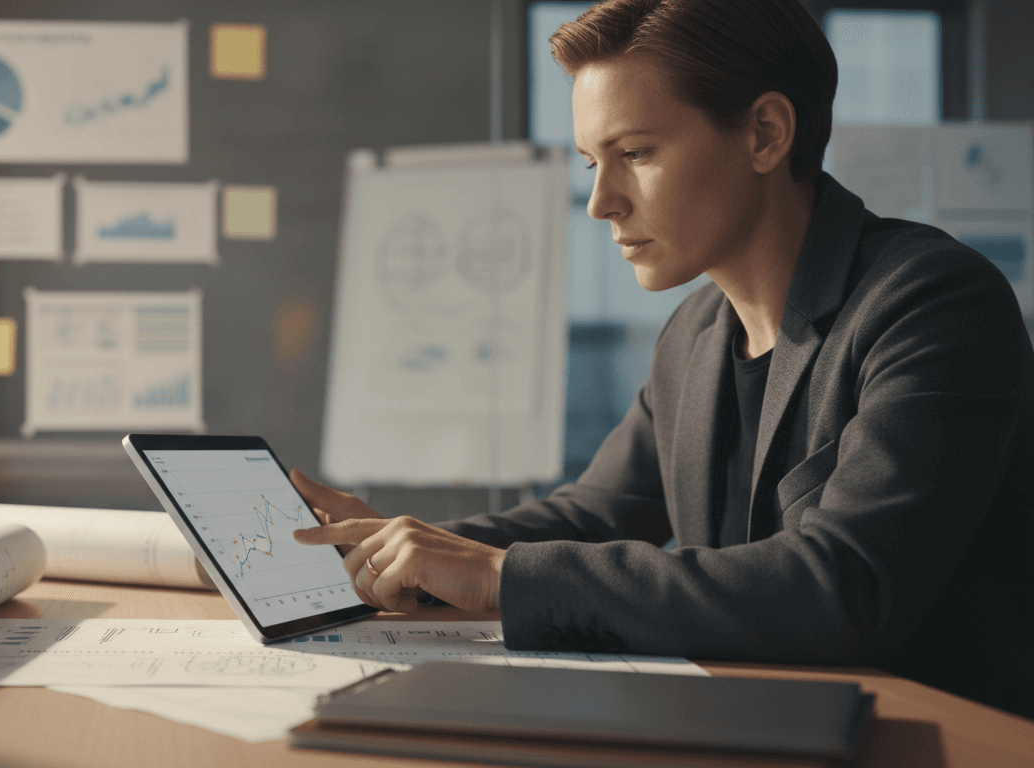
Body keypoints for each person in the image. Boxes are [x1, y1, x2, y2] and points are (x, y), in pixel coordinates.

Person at [291, 0, 1034, 719]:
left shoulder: (933, 303)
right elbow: (596, 516)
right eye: (591, 162)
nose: (601, 202)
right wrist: (406, 551)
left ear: (766, 133)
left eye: (635, 153)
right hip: (755, 725)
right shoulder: (695, 332)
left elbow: (842, 588)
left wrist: (494, 575)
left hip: (931, 740)